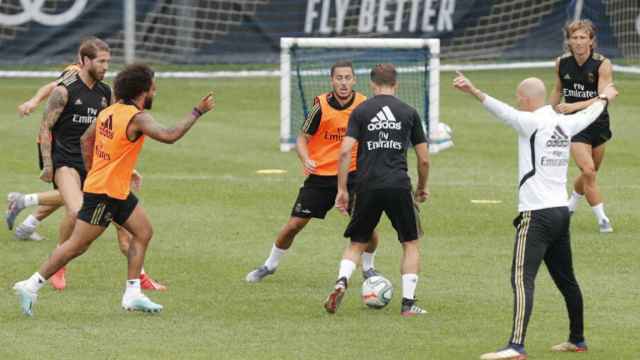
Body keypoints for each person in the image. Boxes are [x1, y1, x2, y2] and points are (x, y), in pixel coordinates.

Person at [13, 63, 215, 316]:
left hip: (116, 189)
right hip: (105, 194)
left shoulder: (110, 111)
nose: (155, 92)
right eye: (153, 88)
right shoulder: (137, 117)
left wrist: (101, 168)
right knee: (76, 246)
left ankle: (132, 294)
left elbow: (87, 139)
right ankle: (30, 285)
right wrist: (198, 111)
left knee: (143, 232)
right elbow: (169, 135)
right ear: (143, 91)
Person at [451, 72, 617, 359]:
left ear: (527, 100)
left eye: (519, 96)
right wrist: (604, 98)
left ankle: (516, 346)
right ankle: (577, 340)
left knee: (521, 277)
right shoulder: (565, 123)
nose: (517, 101)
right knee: (567, 280)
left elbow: (501, 111)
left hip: (537, 215)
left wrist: (473, 90)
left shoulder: (529, 122)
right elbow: (591, 114)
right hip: (560, 213)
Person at [10, 37, 165, 291]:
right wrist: (48, 165)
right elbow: (46, 127)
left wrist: (124, 166)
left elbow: (110, 131)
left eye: (108, 61)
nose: (106, 66)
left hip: (95, 163)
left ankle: (140, 278)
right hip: (65, 162)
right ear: (84, 61)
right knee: (76, 211)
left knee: (124, 226)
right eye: (101, 61)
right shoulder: (64, 89)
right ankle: (58, 265)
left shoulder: (106, 93)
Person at [246, 60, 380, 283]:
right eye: (339, 78)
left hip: (354, 175)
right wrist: (306, 157)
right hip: (321, 177)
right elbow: (302, 138)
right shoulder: (320, 105)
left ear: (354, 80)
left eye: (348, 78)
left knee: (367, 227)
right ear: (332, 80)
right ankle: (269, 265)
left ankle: (369, 268)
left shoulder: (364, 105)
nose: (344, 83)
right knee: (294, 225)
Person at [323, 64, 430, 316]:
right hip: (398, 184)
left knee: (357, 242)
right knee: (410, 243)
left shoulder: (361, 110)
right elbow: (424, 159)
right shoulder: (409, 112)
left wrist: (342, 189)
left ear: (372, 84)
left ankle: (341, 282)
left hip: (366, 184)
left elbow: (345, 151)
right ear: (397, 84)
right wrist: (422, 188)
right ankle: (408, 304)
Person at [549, 19, 618, 233]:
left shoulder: (602, 64)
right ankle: (603, 220)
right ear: (569, 41)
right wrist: (547, 115)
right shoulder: (561, 62)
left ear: (591, 41)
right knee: (587, 170)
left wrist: (575, 105)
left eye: (582, 38)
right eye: (574, 38)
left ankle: (570, 205)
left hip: (598, 122)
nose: (578, 42)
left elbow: (603, 96)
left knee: (592, 171)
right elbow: (557, 90)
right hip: (573, 125)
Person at [7, 63, 81, 241]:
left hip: (70, 145)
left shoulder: (93, 83)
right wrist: (33, 101)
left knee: (69, 193)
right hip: (57, 144)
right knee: (74, 194)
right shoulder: (76, 72)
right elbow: (52, 86)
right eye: (101, 60)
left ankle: (28, 224)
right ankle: (23, 202)